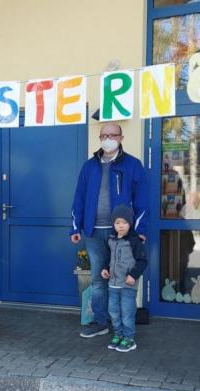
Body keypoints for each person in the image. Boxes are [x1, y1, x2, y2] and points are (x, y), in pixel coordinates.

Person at [71, 122, 147, 338]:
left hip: (121, 235)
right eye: (104, 135)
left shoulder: (133, 165)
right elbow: (79, 198)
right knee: (98, 279)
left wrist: (140, 229)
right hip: (93, 232)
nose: (108, 139)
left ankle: (124, 326)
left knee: (123, 278)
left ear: (121, 138)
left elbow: (142, 200)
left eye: (113, 135)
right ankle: (100, 321)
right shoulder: (89, 166)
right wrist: (75, 227)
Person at [101, 204, 147, 352]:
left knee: (127, 312)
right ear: (113, 224)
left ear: (130, 223)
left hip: (128, 284)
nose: (121, 226)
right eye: (117, 223)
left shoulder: (135, 241)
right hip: (113, 283)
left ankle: (129, 338)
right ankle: (118, 334)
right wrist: (105, 269)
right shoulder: (111, 240)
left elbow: (142, 261)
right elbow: (109, 259)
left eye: (124, 223)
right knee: (113, 311)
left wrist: (133, 276)